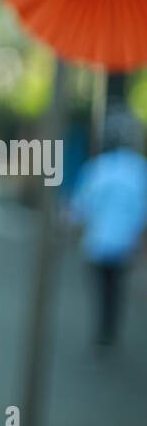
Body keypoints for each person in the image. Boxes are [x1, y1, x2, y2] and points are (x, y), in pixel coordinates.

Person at [69, 106, 147, 348]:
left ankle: (103, 330)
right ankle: (110, 330)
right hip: (125, 241)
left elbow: (81, 206)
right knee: (116, 288)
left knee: (101, 287)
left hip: (98, 240)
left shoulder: (99, 168)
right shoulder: (139, 169)